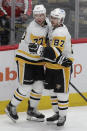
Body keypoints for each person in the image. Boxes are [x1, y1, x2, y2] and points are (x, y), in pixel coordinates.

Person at [5, 4, 50, 122]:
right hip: (26, 59)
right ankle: (11, 107)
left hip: (38, 61)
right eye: (36, 16)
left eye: (41, 15)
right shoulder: (33, 28)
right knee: (25, 87)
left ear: (45, 15)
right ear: (34, 16)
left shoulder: (48, 23)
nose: (39, 18)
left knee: (39, 86)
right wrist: (51, 55)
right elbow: (35, 48)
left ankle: (32, 110)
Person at [36, 8, 74, 126]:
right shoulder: (53, 28)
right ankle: (57, 113)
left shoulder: (60, 32)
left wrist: (39, 49)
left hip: (62, 68)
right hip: (51, 65)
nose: (52, 20)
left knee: (61, 92)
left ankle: (62, 116)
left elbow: (55, 53)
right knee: (52, 91)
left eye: (55, 18)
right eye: (52, 17)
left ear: (61, 19)